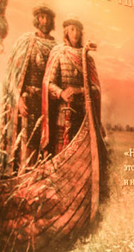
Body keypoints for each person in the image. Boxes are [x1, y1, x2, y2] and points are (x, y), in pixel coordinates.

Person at [2, 4, 57, 168]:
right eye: (42, 17)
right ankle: (23, 174)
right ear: (37, 19)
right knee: (27, 141)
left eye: (47, 18)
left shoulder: (56, 47)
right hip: (28, 100)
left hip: (48, 103)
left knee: (47, 142)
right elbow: (12, 74)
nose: (45, 21)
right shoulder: (26, 41)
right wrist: (18, 99)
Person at [41, 18, 100, 155]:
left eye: (78, 30)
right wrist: (61, 93)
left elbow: (96, 89)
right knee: (60, 148)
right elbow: (48, 83)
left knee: (79, 150)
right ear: (66, 32)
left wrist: (78, 90)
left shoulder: (87, 57)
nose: (75, 33)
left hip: (82, 113)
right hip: (62, 111)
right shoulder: (59, 53)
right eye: (72, 29)